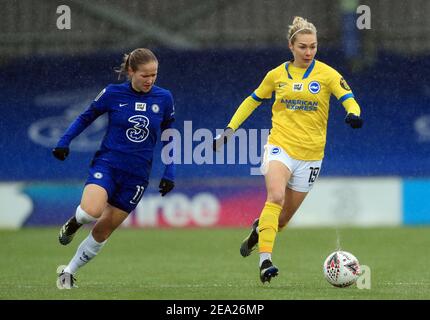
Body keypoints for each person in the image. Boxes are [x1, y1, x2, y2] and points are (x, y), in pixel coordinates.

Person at [213, 17, 363, 283]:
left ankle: (258, 232)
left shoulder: (328, 74)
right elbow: (252, 100)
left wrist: (353, 114)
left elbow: (349, 99)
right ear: (291, 46)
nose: (308, 52)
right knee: (275, 196)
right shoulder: (276, 75)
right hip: (279, 147)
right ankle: (265, 262)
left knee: (281, 221)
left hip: (311, 156)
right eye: (303, 47)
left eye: (313, 47)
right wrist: (229, 129)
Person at [53, 48, 176, 289]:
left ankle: (67, 273)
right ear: (131, 72)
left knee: (104, 230)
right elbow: (86, 117)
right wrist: (64, 140)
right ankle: (74, 223)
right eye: (145, 75)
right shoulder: (112, 93)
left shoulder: (164, 98)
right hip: (108, 165)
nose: (150, 80)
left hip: (138, 176)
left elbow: (170, 135)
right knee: (90, 212)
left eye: (154, 75)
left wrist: (169, 170)